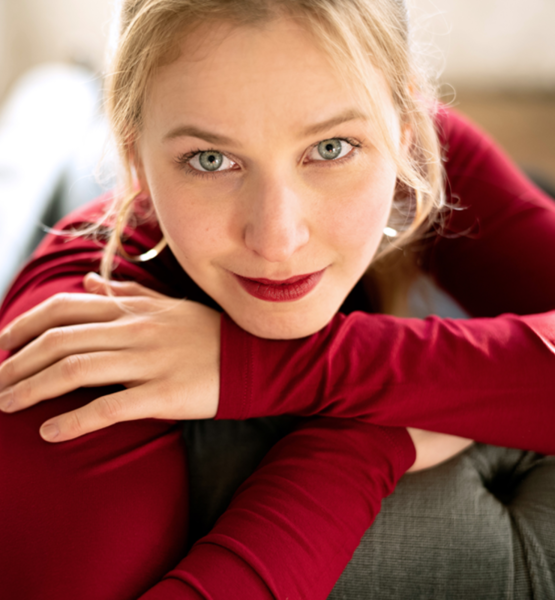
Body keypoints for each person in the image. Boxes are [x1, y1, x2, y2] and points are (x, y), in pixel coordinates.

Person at [0, 0, 554, 598]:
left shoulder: (419, 147)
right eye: (211, 160)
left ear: (405, 133)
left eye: (331, 149)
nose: (276, 239)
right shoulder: (80, 346)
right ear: (135, 158)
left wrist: (263, 367)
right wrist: (366, 443)